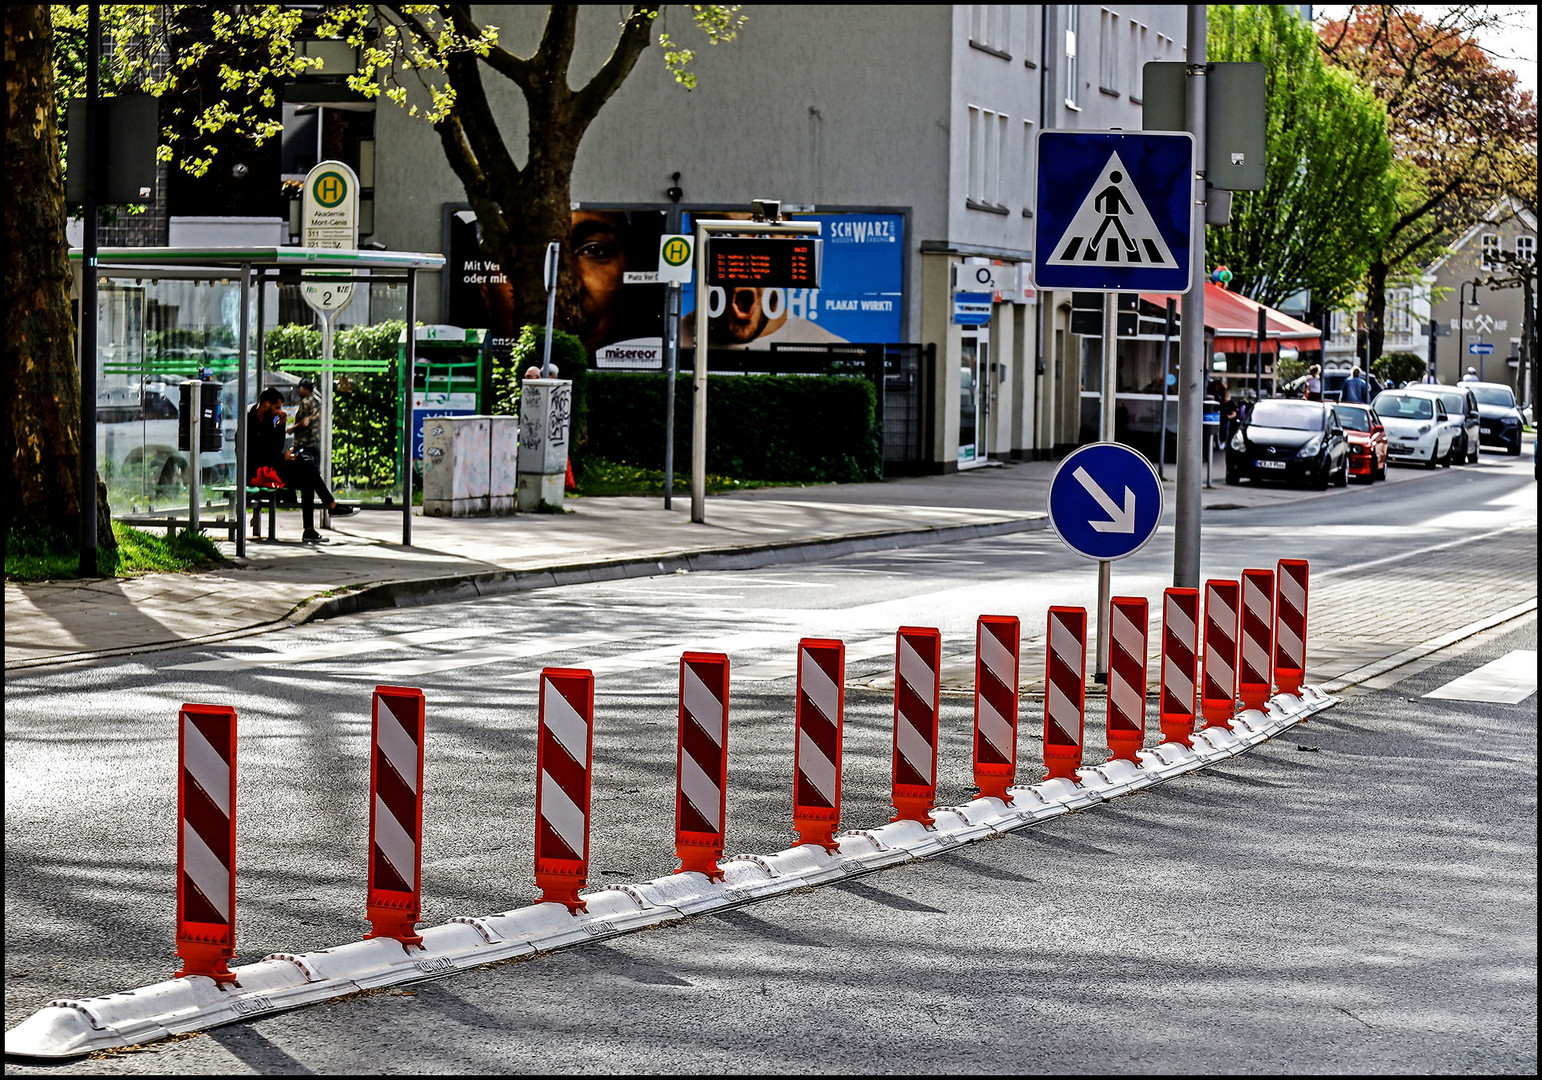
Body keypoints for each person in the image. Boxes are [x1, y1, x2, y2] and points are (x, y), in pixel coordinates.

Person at [248, 388, 356, 543]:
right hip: (257, 473)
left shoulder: (268, 421)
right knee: (307, 470)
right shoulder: (249, 422)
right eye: (277, 407)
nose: (280, 411)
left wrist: (280, 427)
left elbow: (275, 448)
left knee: (307, 471)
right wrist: (281, 457)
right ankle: (330, 506)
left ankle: (310, 529)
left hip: (272, 467)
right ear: (266, 404)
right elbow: (256, 454)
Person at [287, 378, 321, 461]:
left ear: (304, 388)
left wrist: (291, 429)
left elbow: (305, 422)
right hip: (317, 442)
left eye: (300, 388)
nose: (299, 391)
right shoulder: (317, 401)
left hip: (305, 443)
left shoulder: (305, 402)